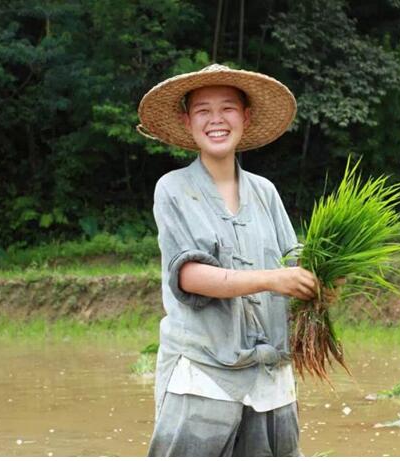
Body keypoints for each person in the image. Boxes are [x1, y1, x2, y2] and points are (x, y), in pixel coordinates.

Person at [136, 64, 341, 457]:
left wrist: (323, 281)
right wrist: (272, 279)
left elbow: (295, 267)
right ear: (187, 121)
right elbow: (191, 276)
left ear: (245, 118)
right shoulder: (174, 189)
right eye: (203, 111)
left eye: (228, 108)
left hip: (269, 378)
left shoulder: (265, 192)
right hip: (202, 374)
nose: (216, 120)